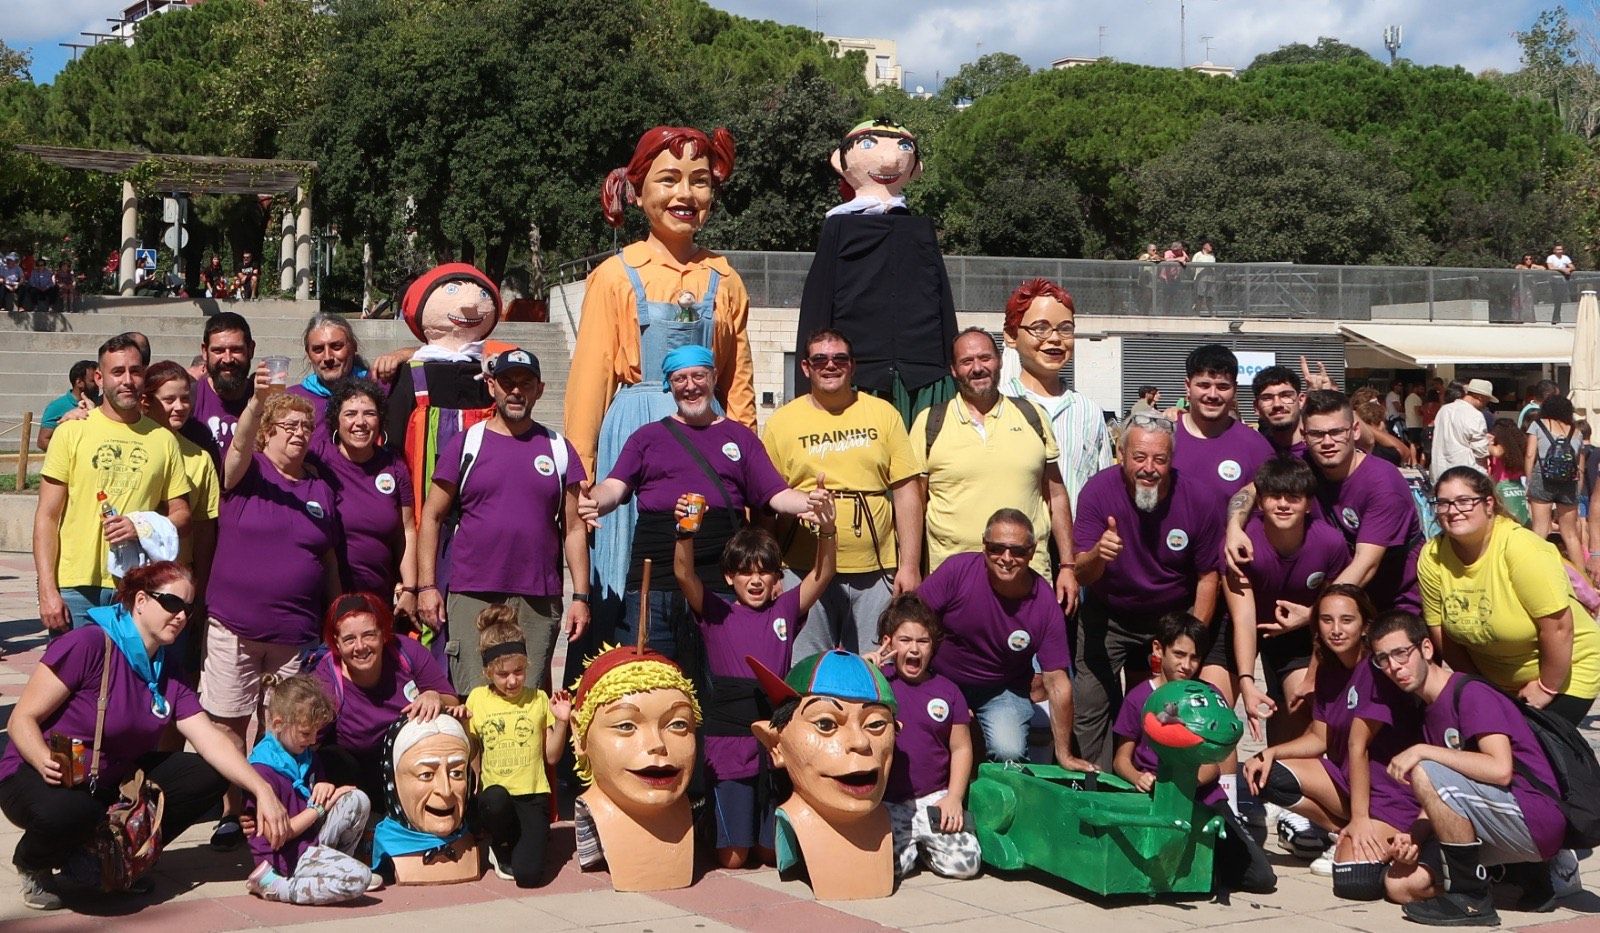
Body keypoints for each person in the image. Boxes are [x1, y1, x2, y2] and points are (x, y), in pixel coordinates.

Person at [0, 561, 289, 911]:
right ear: (139, 601)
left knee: (207, 773)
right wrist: (41, 758)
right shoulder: (89, 644)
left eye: (188, 608)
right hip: (42, 775)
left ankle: (114, 858)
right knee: (73, 810)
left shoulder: (166, 670)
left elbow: (209, 737)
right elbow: (21, 719)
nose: (181, 616)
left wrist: (261, 788)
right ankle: (33, 862)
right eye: (171, 603)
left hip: (106, 782)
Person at [564, 127, 755, 640]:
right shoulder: (614, 275)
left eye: (698, 182)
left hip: (709, 432)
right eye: (668, 179)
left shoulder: (726, 278)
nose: (684, 196)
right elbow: (591, 376)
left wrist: (749, 463)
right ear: (637, 187)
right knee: (631, 562)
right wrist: (579, 474)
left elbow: (737, 380)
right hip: (635, 425)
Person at [577, 345, 820, 678]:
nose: (690, 386)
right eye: (680, 379)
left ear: (713, 378)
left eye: (698, 376)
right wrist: (594, 500)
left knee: (714, 681)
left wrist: (809, 503)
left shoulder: (741, 438)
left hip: (719, 587)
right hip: (654, 583)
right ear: (669, 385)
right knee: (647, 680)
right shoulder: (647, 438)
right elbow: (614, 487)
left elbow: (776, 495)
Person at [202, 365, 340, 847]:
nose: (300, 434)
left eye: (306, 427)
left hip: (293, 631)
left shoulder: (319, 488)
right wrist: (258, 401)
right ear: (268, 432)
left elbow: (326, 558)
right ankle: (229, 811)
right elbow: (237, 448)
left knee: (283, 725)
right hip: (235, 625)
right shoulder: (249, 471)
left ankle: (280, 805)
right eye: (290, 426)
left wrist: (335, 612)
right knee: (229, 722)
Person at [1371, 610, 1569, 925]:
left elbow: (1500, 769)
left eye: (1401, 653)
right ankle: (1520, 880)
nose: (1394, 667)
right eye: (1383, 659)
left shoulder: (1470, 693)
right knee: (1400, 886)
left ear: (1425, 649)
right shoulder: (1429, 710)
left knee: (1425, 766)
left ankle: (1469, 898)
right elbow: (1443, 797)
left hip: (1533, 817)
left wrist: (1423, 751)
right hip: (1488, 817)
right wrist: (1415, 837)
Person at [419, 348, 589, 692]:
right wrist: (426, 586)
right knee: (473, 695)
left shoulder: (558, 448)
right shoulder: (467, 444)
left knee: (529, 698)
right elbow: (432, 516)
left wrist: (581, 597)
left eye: (525, 383)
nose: (516, 391)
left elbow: (573, 528)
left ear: (539, 390)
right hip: (472, 590)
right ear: (492, 386)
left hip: (536, 594)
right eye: (508, 382)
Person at [673, 513, 836, 869]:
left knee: (769, 855)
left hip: (774, 740)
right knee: (734, 859)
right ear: (730, 577)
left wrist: (827, 529)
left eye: (764, 571)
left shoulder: (786, 609)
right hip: (728, 740)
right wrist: (685, 531)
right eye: (746, 572)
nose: (756, 580)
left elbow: (823, 574)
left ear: (777, 577)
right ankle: (704, 823)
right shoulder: (716, 610)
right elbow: (684, 574)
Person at [1072, 413, 1225, 767]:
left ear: (1172, 461)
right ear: (1121, 455)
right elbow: (1081, 573)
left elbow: (1208, 578)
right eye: (1139, 457)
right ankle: (1100, 784)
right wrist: (1098, 554)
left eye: (1160, 459)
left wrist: (1188, 640)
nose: (1149, 468)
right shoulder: (1097, 491)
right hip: (1108, 613)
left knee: (1166, 705)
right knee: (1092, 703)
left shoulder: (1198, 499)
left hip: (1169, 617)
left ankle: (1153, 778)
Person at [1243, 586, 1424, 884]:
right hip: (1348, 781)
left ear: (1365, 626)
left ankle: (1383, 835)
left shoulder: (1376, 669)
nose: (1336, 630)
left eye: (1346, 620)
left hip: (1390, 793)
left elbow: (1358, 746)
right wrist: (1271, 752)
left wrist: (1361, 819)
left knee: (1355, 880)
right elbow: (1319, 738)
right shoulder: (1329, 669)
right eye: (1327, 620)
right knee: (1265, 774)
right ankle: (1342, 831)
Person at [761, 329, 921, 656]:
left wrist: (910, 565)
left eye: (839, 359)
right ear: (805, 367)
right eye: (819, 359)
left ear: (852, 366)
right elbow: (765, 503)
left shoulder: (883, 414)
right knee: (805, 669)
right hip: (803, 569)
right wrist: (769, 568)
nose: (829, 365)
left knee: (876, 668)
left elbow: (906, 491)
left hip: (875, 570)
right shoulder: (781, 422)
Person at [34, 335, 192, 633]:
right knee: (72, 678)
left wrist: (141, 526)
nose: (128, 380)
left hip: (138, 589)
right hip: (76, 588)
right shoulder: (71, 432)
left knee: (129, 679)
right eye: (117, 372)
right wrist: (47, 589)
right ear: (99, 377)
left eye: (136, 371)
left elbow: (182, 515)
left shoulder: (163, 440)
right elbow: (47, 516)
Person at [1418, 467, 1600, 725]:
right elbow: (1440, 631)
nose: (1453, 510)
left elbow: (1558, 628)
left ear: (1488, 504)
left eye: (1464, 501)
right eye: (1444, 503)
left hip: (1566, 669)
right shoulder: (1433, 555)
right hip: (1497, 679)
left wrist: (1546, 687)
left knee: (1530, 753)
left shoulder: (1520, 547)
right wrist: (1479, 687)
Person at [911, 329, 1078, 608]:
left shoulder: (1032, 416)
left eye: (985, 358)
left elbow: (1056, 496)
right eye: (967, 361)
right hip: (953, 587)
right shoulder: (930, 423)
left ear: (999, 361)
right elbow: (914, 504)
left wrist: (1068, 566)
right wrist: (910, 567)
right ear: (953, 370)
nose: (977, 368)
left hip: (1028, 582)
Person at [922, 508, 1096, 771]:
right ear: (984, 546)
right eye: (996, 548)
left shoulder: (1045, 602)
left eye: (1017, 551)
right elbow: (911, 618)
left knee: (1009, 751)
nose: (1006, 558)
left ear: (1032, 550)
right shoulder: (957, 571)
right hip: (941, 679)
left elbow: (1057, 682)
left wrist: (1064, 753)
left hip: (1000, 689)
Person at [1116, 612, 1275, 893]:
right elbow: (1121, 760)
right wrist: (1137, 777)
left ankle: (1209, 865)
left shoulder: (1210, 695)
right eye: (1178, 654)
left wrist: (1187, 782)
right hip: (1157, 798)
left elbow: (1214, 763)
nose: (1186, 665)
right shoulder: (1139, 698)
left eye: (1194, 657)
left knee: (1262, 879)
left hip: (1204, 799)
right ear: (1158, 649)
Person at [1229, 390, 1424, 614]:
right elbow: (1250, 491)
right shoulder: (1303, 463)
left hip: (1393, 603)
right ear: (1304, 435)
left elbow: (1365, 565)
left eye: (1337, 432)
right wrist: (1234, 529)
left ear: (1355, 430)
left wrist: (1317, 613)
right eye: (1317, 434)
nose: (1327, 442)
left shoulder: (1383, 484)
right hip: (1336, 600)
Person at [1228, 457, 1351, 744]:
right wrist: (1247, 681)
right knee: (1220, 701)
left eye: (1293, 498)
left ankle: (1293, 778)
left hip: (1300, 633)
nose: (1283, 504)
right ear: (1260, 502)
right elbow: (1243, 618)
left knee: (1300, 705)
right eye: (1274, 497)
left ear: (1308, 505)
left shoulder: (1329, 543)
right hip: (1247, 626)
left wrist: (1311, 676)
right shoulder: (1243, 542)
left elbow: (1332, 615)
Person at [456, 605, 571, 887]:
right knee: (494, 800)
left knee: (529, 877)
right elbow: (471, 754)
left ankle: (524, 840)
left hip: (533, 796)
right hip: (498, 797)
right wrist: (462, 728)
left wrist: (562, 721)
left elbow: (552, 757)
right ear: (487, 672)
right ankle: (501, 842)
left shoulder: (538, 699)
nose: (512, 680)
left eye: (518, 671)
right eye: (503, 674)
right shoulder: (478, 700)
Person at [872, 594, 982, 880]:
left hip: (935, 799)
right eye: (905, 640)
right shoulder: (875, 684)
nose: (914, 649)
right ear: (888, 643)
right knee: (885, 869)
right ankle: (909, 850)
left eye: (923, 641)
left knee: (967, 865)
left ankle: (926, 847)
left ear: (933, 647)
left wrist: (955, 797)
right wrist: (865, 667)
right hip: (889, 802)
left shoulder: (948, 691)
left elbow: (961, 748)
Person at [313, 593, 457, 807]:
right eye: (350, 639)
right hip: (357, 772)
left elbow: (452, 702)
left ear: (383, 633)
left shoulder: (407, 652)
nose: (360, 646)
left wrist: (433, 696)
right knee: (331, 757)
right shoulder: (327, 677)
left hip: (413, 761)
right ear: (337, 642)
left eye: (369, 635)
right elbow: (304, 738)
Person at [243, 674, 374, 905]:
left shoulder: (304, 756)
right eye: (306, 733)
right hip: (284, 856)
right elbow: (280, 835)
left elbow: (313, 796)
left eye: (316, 732)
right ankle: (277, 886)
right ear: (278, 724)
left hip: (309, 841)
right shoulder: (262, 771)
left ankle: (335, 865)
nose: (313, 740)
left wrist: (325, 786)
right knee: (360, 878)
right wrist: (321, 807)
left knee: (357, 799)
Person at [999, 278, 1113, 514]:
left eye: (1065, 328)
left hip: (1074, 546)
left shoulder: (1088, 412)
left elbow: (1102, 486)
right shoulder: (996, 407)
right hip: (1013, 548)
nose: (1054, 338)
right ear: (1011, 336)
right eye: (1040, 328)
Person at [140, 361, 222, 665]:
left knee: (171, 672)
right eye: (169, 399)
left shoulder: (199, 458)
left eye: (185, 398)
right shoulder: (134, 442)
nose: (179, 407)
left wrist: (199, 593)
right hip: (131, 577)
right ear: (147, 401)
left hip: (176, 583)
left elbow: (203, 530)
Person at [319, 379, 416, 618]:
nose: (360, 422)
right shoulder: (319, 460)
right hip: (325, 601)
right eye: (350, 414)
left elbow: (406, 530)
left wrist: (411, 588)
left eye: (369, 414)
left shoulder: (394, 466)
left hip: (378, 598)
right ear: (336, 421)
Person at [1171, 344, 1276, 517]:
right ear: (1188, 386)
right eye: (1204, 385)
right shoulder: (1163, 437)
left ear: (1234, 389)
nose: (1212, 394)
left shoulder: (1255, 447)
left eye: (1222, 386)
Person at [1526, 395, 1587, 568]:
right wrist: (1578, 488)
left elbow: (1530, 454)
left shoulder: (1537, 425)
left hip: (1542, 478)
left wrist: (1529, 481)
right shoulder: (1576, 431)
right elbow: (1580, 464)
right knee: (1570, 534)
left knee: (1540, 529)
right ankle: (1583, 580)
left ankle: (1532, 570)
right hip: (1569, 482)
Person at [189, 312, 257, 458]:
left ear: (251, 349)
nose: (227, 359)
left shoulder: (265, 402)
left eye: (236, 350)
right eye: (218, 350)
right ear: (205, 352)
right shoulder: (189, 401)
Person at [289, 313, 370, 428]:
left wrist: (403, 354)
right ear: (308, 355)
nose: (328, 357)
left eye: (336, 347)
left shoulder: (379, 388)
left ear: (353, 347)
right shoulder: (293, 400)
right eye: (318, 349)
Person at [1430, 380, 1494, 477]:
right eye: (1487, 401)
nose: (1486, 405)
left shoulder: (1444, 410)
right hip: (1465, 475)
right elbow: (1480, 452)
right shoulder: (1475, 415)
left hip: (1440, 472)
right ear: (1480, 397)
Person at [36, 360, 98, 452]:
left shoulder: (102, 403)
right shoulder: (56, 406)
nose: (98, 385)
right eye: (93, 381)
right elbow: (43, 441)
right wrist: (69, 455)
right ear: (79, 382)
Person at [1253, 366, 1305, 457]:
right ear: (1257, 407)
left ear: (1301, 401)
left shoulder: (1322, 452)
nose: (1277, 404)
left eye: (1286, 396)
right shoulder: (1255, 453)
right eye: (1267, 398)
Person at [1546, 244, 1575, 325]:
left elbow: (1572, 267)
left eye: (1561, 249)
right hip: (1553, 281)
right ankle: (1555, 317)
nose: (1560, 251)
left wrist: (1568, 269)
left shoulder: (1565, 257)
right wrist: (1562, 269)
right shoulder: (1551, 257)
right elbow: (1550, 267)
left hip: (1562, 281)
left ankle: (1556, 318)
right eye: (1558, 249)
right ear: (1554, 250)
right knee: (1555, 299)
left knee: (1560, 299)